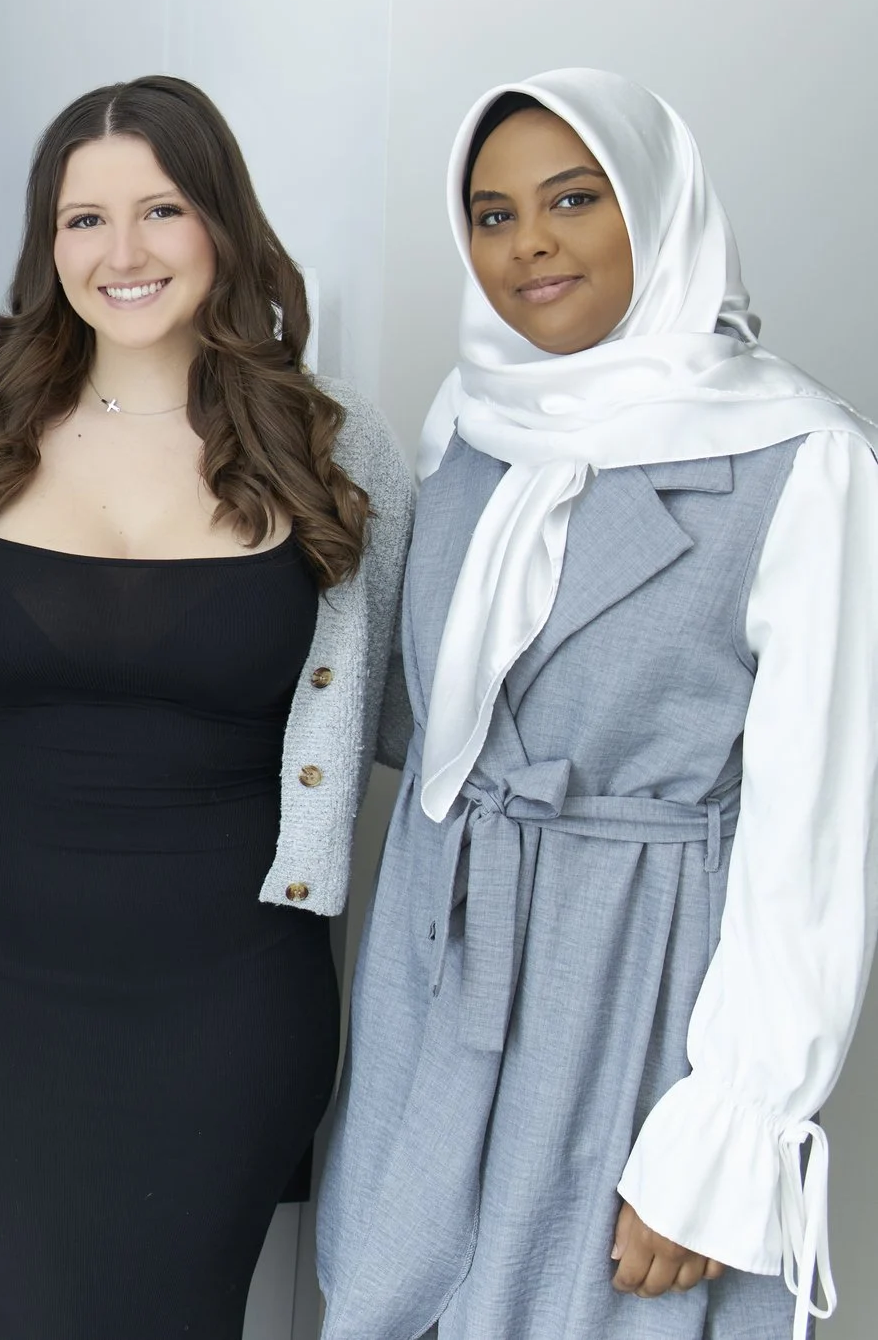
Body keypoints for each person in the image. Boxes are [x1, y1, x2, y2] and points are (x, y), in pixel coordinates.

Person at [318, 69, 878, 1340]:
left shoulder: (808, 462)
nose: (530, 246)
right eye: (492, 213)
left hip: (638, 975)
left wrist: (722, 1139)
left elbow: (814, 841)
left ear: (660, 210)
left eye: (574, 199)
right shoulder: (474, 415)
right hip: (436, 955)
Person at [0, 76, 414, 1337]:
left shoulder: (334, 449)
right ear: (45, 243)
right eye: (81, 219)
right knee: (14, 1307)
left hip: (228, 988)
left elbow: (404, 713)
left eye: (160, 209)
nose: (119, 253)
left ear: (222, 220)